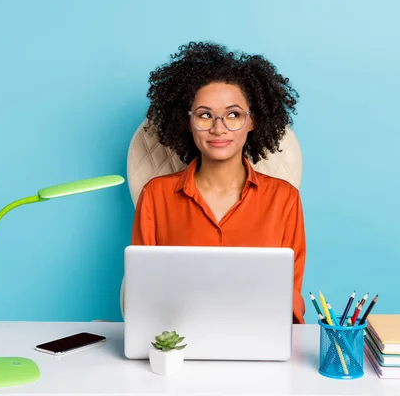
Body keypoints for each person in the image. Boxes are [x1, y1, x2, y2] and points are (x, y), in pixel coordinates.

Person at [131, 41, 307, 323]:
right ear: (188, 122)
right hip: (177, 341)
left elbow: (291, 296)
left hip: (258, 338)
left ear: (252, 122)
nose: (218, 127)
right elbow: (143, 289)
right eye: (204, 115)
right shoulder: (156, 194)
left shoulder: (284, 198)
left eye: (234, 114)